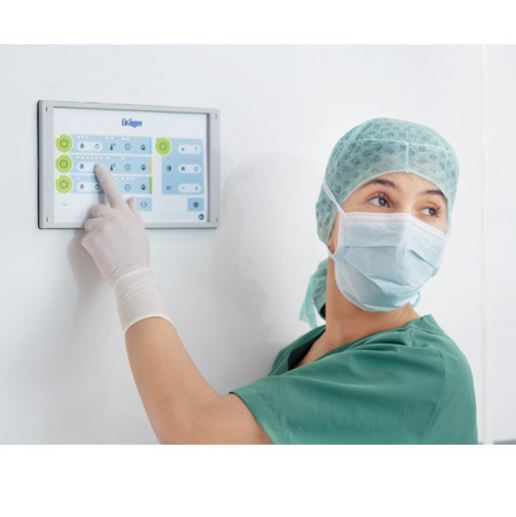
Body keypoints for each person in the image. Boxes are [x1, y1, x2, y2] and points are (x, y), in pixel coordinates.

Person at [81, 117, 478, 444]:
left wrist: (131, 277)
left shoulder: (425, 369)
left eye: (430, 209)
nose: (405, 228)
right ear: (330, 218)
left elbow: (195, 432)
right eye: (381, 199)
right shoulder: (306, 353)